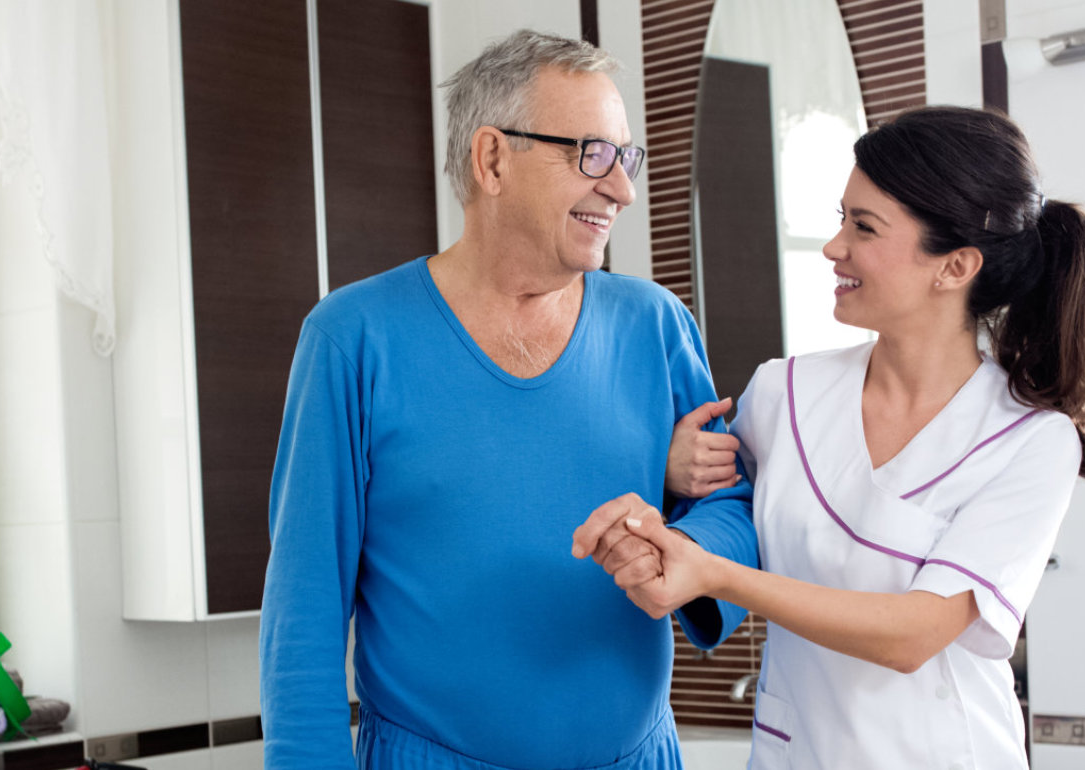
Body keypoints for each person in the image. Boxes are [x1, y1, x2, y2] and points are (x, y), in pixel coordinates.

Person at [576, 105, 1085, 768]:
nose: (834, 247)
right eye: (842, 218)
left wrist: (718, 577)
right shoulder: (784, 393)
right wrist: (671, 469)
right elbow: (717, 508)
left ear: (955, 267)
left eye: (864, 227)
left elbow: (913, 635)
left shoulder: (1029, 440)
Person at [259, 30, 756, 769]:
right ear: (492, 158)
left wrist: (679, 546)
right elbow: (304, 607)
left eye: (626, 158)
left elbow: (733, 509)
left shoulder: (656, 324)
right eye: (592, 154)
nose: (621, 188)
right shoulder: (353, 339)